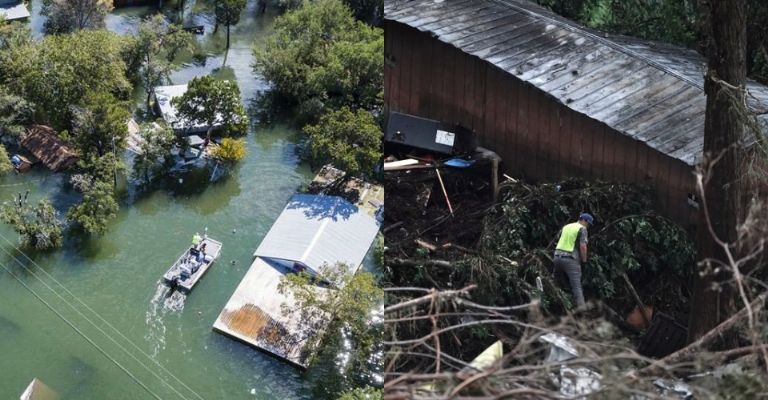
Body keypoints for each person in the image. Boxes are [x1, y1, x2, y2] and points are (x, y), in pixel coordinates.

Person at [553, 213, 593, 308]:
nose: (588, 226)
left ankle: (557, 304)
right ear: (584, 220)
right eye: (588, 223)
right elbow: (583, 246)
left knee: (556, 281)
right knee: (577, 287)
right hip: (570, 259)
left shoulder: (567, 226)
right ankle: (582, 311)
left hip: (557, 257)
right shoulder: (582, 229)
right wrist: (584, 260)